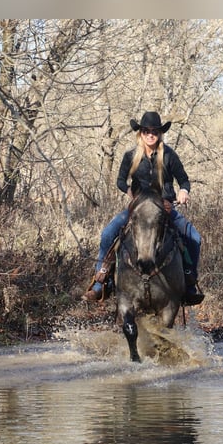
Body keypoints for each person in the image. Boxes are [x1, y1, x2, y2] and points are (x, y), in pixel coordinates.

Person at [82, 111, 204, 305]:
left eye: (154, 131)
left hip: (165, 209)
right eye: (146, 131)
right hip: (137, 209)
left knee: (194, 239)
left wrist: (183, 191)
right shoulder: (131, 155)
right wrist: (129, 190)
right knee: (107, 234)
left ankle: (189, 282)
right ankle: (101, 283)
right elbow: (120, 180)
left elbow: (184, 180)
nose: (150, 134)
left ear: (159, 133)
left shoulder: (169, 155)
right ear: (141, 132)